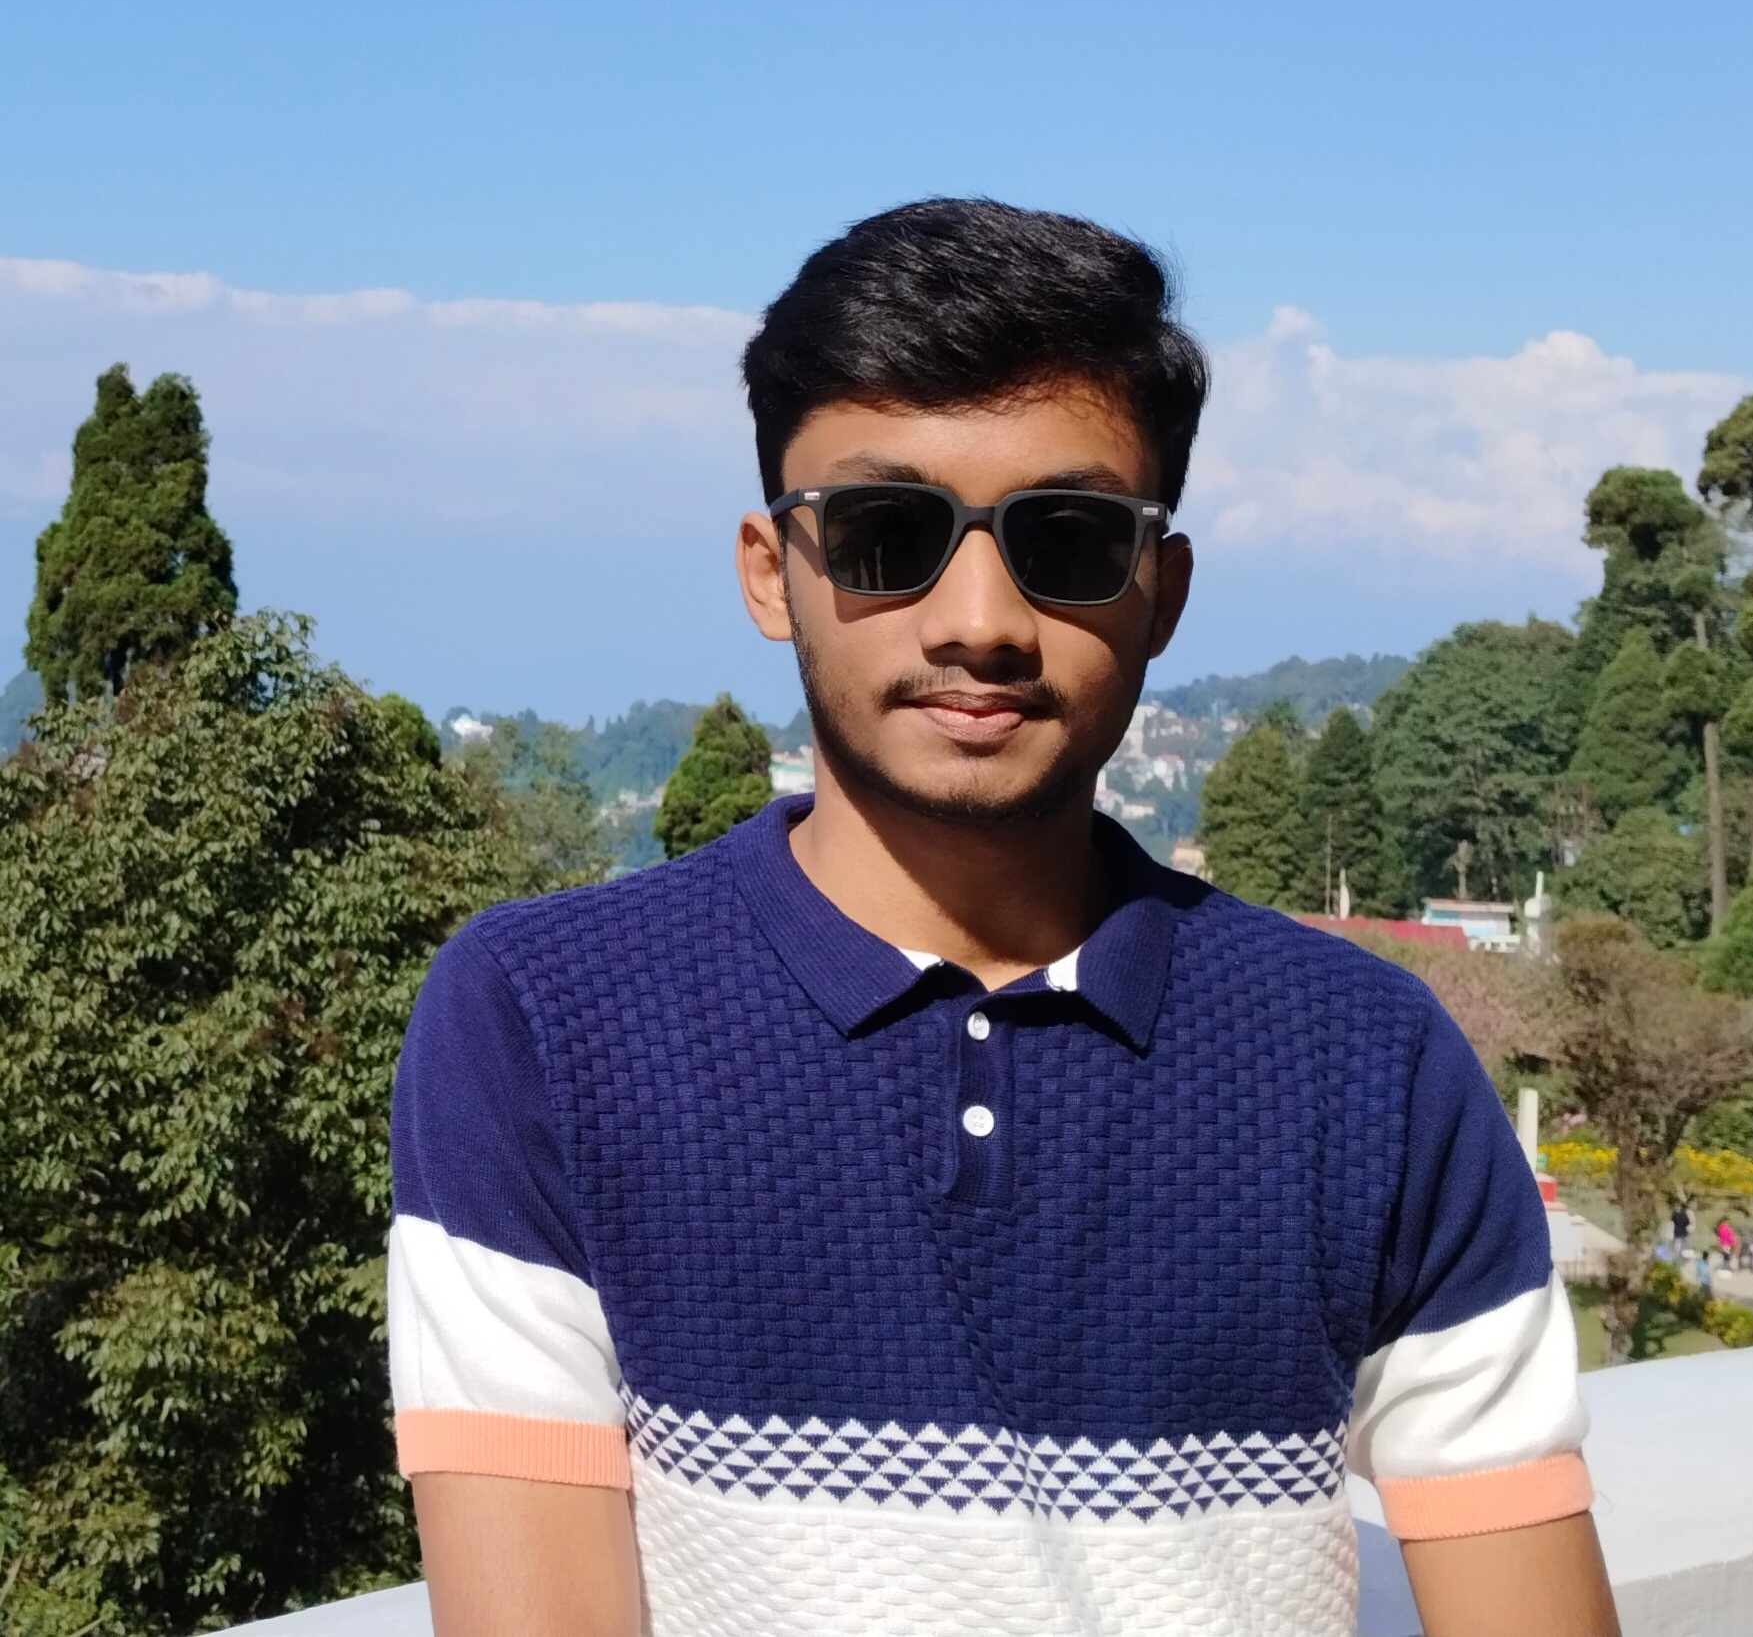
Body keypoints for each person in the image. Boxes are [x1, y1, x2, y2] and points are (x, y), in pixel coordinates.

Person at [387, 202, 1618, 1637]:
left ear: (1161, 594)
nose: (979, 618)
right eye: (886, 534)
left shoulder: (1365, 1063)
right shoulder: (544, 1025)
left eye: (1070, 540)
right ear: (771, 571)